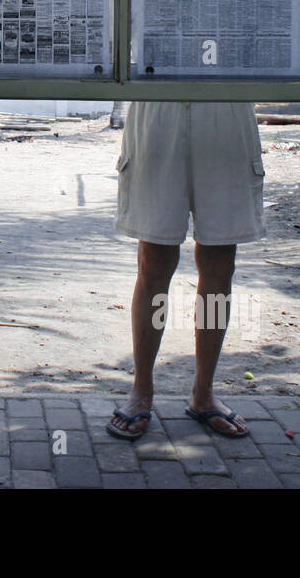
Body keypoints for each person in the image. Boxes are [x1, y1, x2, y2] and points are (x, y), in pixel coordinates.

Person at [108, 100, 266, 441]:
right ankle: (142, 390)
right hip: (158, 111)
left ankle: (203, 392)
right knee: (154, 260)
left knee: (219, 261)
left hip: (227, 114)